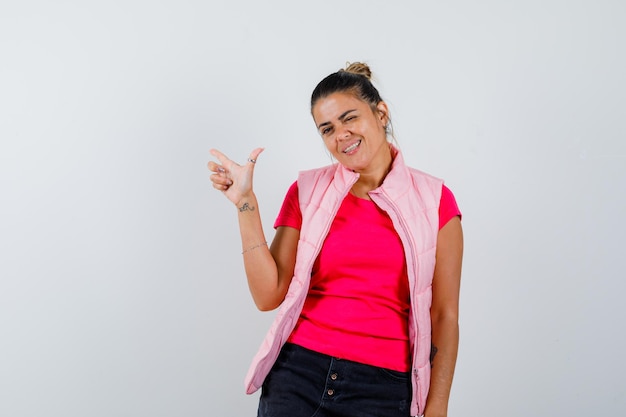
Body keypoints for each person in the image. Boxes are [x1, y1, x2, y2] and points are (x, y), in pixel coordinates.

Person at [208, 62, 463, 417]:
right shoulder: (308, 192)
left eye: (350, 118)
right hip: (297, 376)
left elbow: (445, 315)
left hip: (383, 389)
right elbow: (268, 296)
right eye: (327, 128)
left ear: (381, 113)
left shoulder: (435, 201)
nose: (340, 135)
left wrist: (437, 407)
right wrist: (246, 205)